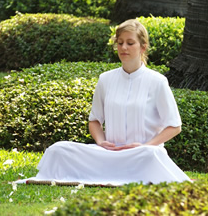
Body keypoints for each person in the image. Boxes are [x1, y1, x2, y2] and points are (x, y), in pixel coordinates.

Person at [17, 19, 190, 186]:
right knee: (58, 149)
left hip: (142, 156)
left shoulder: (157, 81)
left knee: (151, 155)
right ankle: (109, 171)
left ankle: (129, 169)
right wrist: (101, 142)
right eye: (120, 42)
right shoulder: (106, 79)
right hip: (108, 154)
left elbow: (174, 126)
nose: (123, 47)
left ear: (143, 47)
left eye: (130, 43)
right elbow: (95, 120)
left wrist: (144, 146)